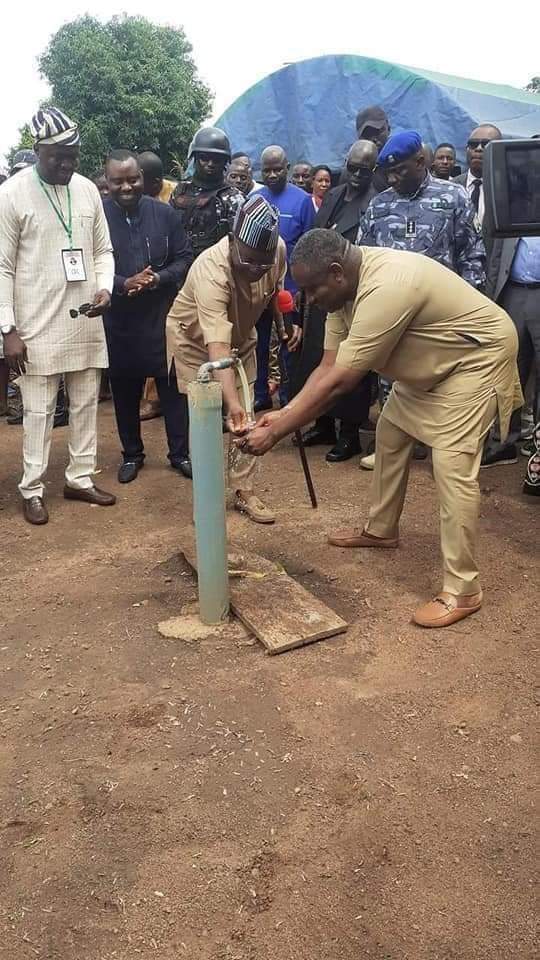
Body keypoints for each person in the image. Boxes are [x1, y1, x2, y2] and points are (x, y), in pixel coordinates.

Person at [240, 229, 521, 627]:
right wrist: (284, 413)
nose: (309, 300)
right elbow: (327, 367)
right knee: (390, 432)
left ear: (336, 272)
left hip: (475, 359)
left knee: (451, 466)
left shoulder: (387, 285)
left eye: (312, 290)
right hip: (431, 365)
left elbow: (342, 382)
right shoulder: (342, 294)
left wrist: (277, 431)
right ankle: (381, 529)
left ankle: (463, 589)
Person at [0, 106, 116, 525]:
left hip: (85, 318)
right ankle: (32, 488)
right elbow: (2, 267)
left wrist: (105, 286)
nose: (67, 164)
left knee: (86, 403)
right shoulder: (11, 195)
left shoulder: (87, 190)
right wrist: (8, 330)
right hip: (34, 325)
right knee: (38, 411)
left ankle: (80, 478)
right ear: (38, 151)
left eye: (73, 155)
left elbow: (103, 249)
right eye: (57, 157)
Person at [358, 130, 486, 468]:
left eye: (401, 170)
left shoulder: (453, 197)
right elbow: (364, 259)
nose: (395, 178)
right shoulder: (379, 204)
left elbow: (472, 255)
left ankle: (444, 448)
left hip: (440, 314)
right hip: (393, 314)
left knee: (443, 379)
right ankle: (393, 446)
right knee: (391, 379)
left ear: (421, 161)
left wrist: (470, 310)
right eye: (390, 173)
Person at [166, 194, 287, 523]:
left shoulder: (275, 252)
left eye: (262, 264)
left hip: (242, 336)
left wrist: (282, 325)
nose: (256, 270)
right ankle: (206, 498)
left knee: (246, 416)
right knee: (205, 417)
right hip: (195, 343)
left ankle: (244, 491)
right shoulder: (211, 269)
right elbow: (215, 347)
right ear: (233, 241)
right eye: (249, 262)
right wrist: (229, 402)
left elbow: (274, 291)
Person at [103, 150, 193, 482]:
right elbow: (89, 264)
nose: (126, 186)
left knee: (172, 389)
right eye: (118, 181)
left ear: (143, 178)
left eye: (133, 179)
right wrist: (122, 284)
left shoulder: (165, 214)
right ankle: (132, 454)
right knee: (125, 391)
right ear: (107, 182)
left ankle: (180, 453)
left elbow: (184, 258)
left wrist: (158, 278)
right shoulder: (97, 217)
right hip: (119, 319)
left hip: (161, 316)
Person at [296, 139, 379, 461]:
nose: (357, 175)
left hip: (351, 292)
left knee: (350, 363)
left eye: (364, 169)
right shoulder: (332, 195)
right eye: (353, 167)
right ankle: (324, 423)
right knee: (319, 355)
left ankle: (348, 434)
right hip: (322, 290)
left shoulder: (374, 202)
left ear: (373, 170)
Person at [254, 145, 314, 410]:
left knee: (290, 344)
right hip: (259, 288)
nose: (272, 175)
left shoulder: (302, 201)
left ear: (287, 168)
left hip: (289, 290)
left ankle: (289, 399)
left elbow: (310, 245)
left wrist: (303, 287)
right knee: (259, 344)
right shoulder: (255, 200)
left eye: (277, 169)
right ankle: (260, 395)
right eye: (267, 170)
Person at [481, 228, 540, 467]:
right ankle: (503, 442)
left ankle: (537, 445)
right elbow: (495, 258)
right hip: (512, 292)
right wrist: (489, 302)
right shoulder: (517, 209)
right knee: (510, 368)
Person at [170, 127, 243, 260]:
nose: (210, 164)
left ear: (225, 162)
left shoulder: (232, 198)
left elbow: (239, 246)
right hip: (177, 266)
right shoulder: (180, 190)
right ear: (195, 158)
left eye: (217, 160)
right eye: (204, 158)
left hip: (212, 268)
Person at [453, 124, 502, 225]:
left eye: (486, 144)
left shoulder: (507, 188)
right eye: (473, 144)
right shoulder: (452, 186)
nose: (479, 148)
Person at [355, 106, 390, 192]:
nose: (374, 138)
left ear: (388, 129)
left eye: (378, 132)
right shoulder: (353, 170)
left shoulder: (402, 162)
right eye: (368, 134)